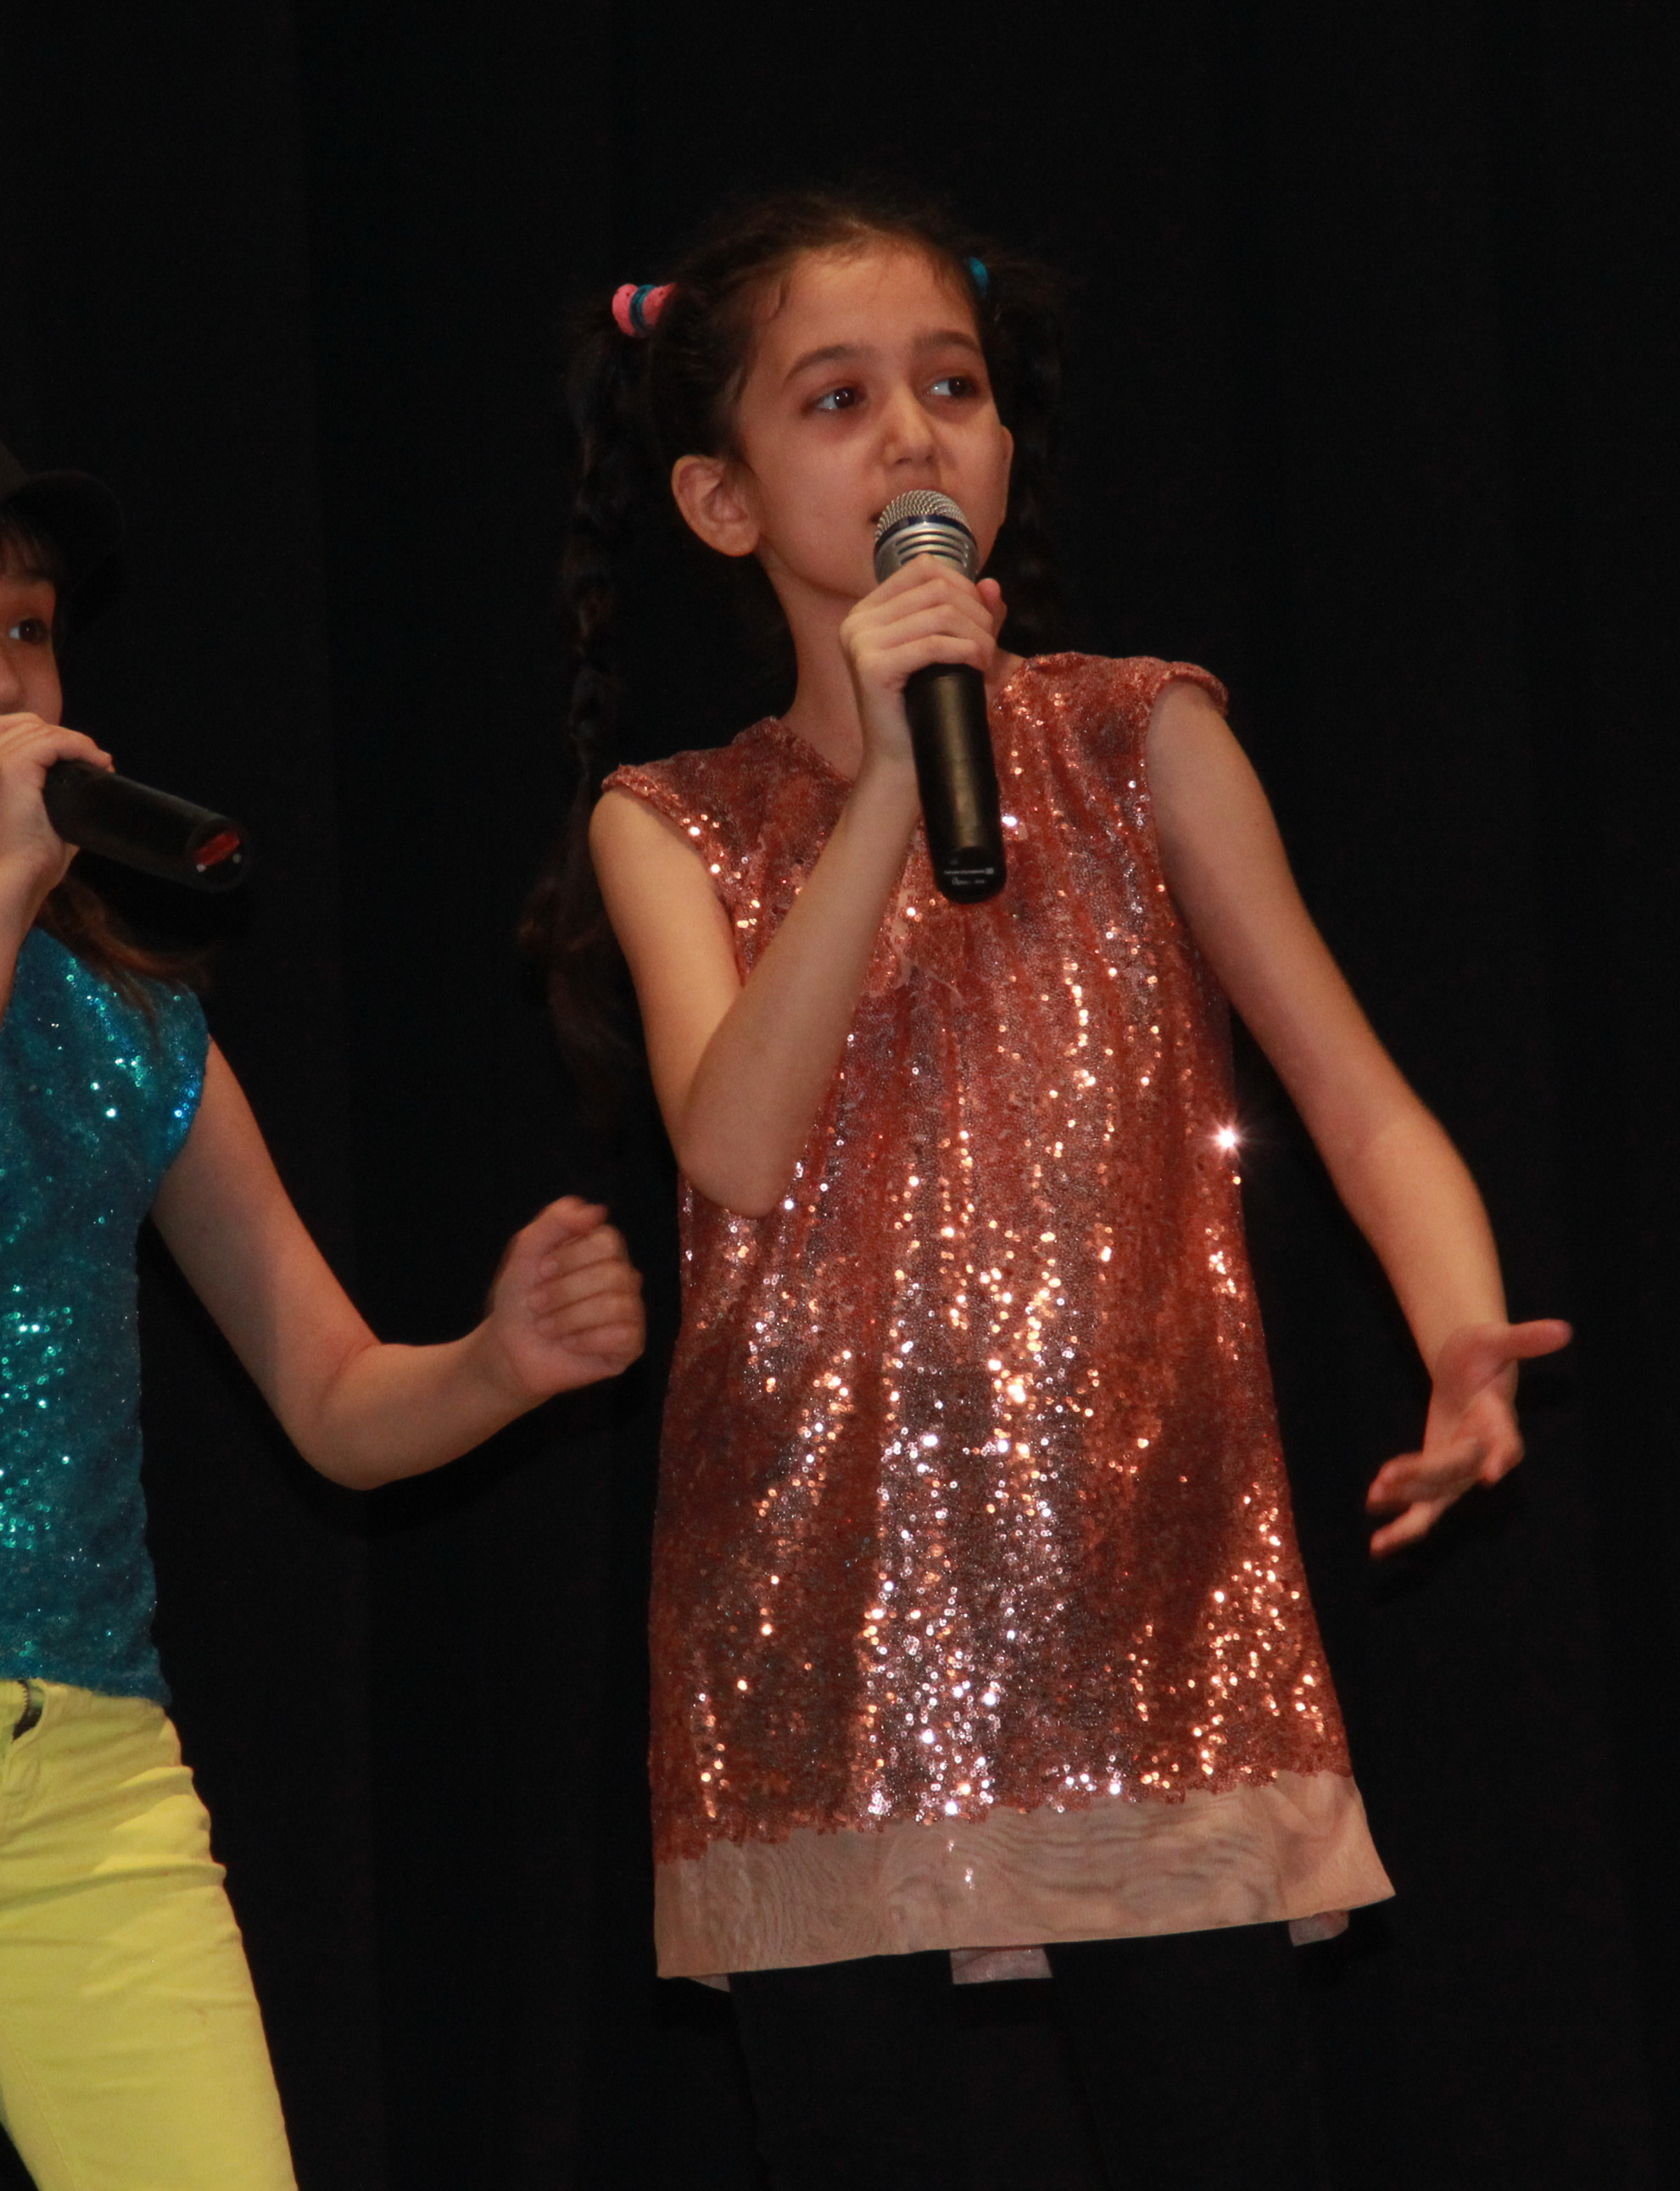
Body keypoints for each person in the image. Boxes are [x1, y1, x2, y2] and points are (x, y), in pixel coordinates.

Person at [529, 192, 1566, 2189]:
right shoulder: (673, 823)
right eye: (838, 400)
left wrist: (1459, 1332)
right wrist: (887, 791)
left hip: (1152, 1618)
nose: (915, 436)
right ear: (721, 500)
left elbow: (1358, 1099)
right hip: (820, 1637)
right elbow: (733, 1147)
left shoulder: (1140, 735)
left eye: (954, 386)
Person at [0, 368, 645, 2191]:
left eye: (27, 628)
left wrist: (497, 1360)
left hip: (91, 1768)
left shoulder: (127, 1026)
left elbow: (333, 1399)